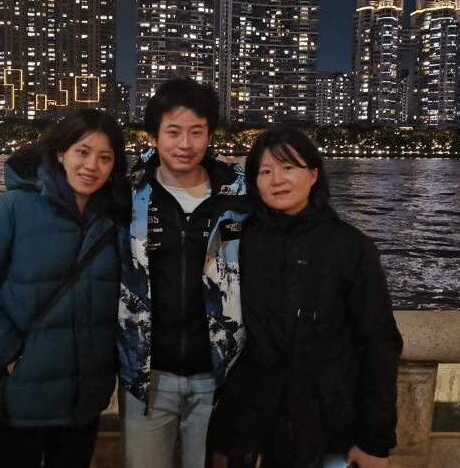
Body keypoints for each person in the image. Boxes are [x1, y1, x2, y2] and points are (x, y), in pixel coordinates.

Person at [0, 109, 129, 468]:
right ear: (60, 153)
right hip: (20, 400)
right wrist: (7, 350)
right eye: (82, 152)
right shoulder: (13, 207)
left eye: (105, 157)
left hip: (82, 403)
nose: (92, 166)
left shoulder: (114, 219)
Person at [208, 125, 403, 468]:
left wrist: (374, 440)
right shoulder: (242, 242)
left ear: (313, 174)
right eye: (265, 171)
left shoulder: (350, 246)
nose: (277, 180)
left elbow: (379, 342)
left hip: (328, 424)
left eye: (288, 168)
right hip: (251, 421)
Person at [117, 78, 249, 468]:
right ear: (153, 136)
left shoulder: (238, 197)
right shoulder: (128, 194)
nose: (185, 144)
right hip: (147, 377)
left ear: (210, 134)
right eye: (173, 132)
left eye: (197, 132)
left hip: (219, 376)